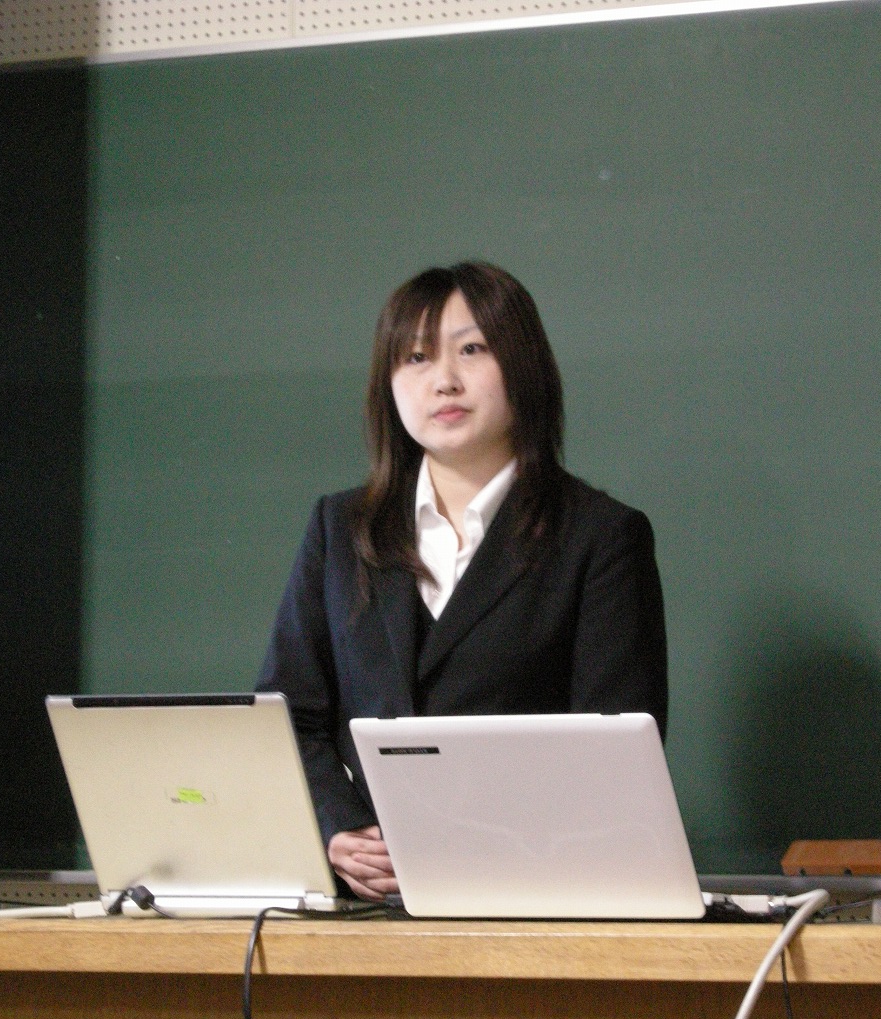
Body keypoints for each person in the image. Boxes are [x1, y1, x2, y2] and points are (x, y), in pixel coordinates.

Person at [257, 262, 667, 900]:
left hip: (534, 897)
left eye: (472, 350)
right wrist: (339, 829)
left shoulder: (600, 537)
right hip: (368, 905)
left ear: (524, 366)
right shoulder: (341, 529)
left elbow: (614, 752)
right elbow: (287, 712)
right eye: (416, 357)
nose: (443, 380)